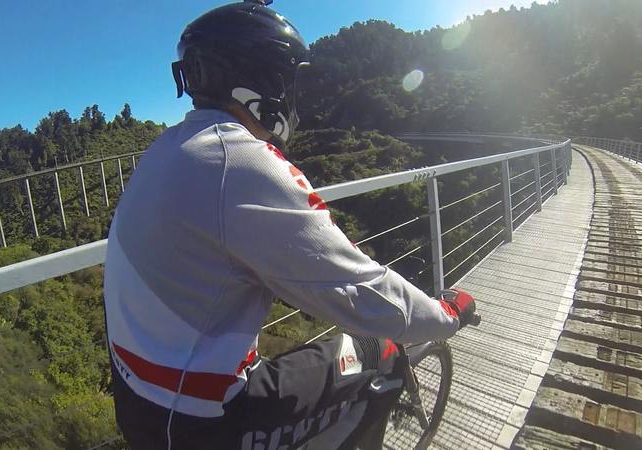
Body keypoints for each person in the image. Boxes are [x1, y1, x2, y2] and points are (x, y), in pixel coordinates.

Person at [102, 1, 477, 448]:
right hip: (202, 422)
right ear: (268, 82)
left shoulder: (169, 149)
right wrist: (448, 314)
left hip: (138, 400)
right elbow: (364, 296)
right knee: (382, 351)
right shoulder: (241, 163)